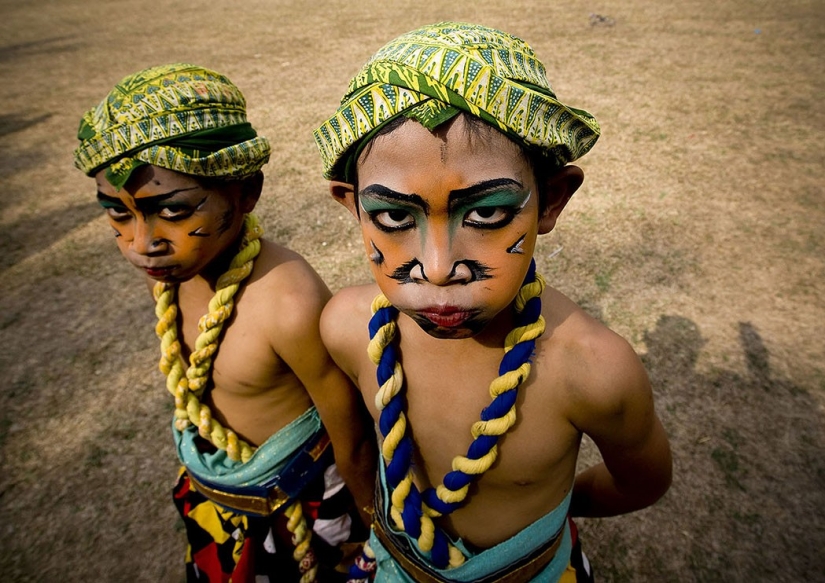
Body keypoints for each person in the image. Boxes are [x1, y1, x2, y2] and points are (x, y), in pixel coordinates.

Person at [313, 22, 673, 582]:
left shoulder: (592, 371)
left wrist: (545, 520)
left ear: (551, 201)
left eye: (484, 214)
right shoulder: (344, 328)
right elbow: (357, 449)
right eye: (392, 217)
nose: (436, 269)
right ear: (352, 205)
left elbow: (643, 481)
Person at [74, 63, 376, 582]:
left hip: (298, 509)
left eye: (171, 210)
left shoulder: (288, 302)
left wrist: (375, 532)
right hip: (216, 495)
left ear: (245, 193)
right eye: (119, 214)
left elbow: (352, 438)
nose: (143, 242)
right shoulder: (169, 270)